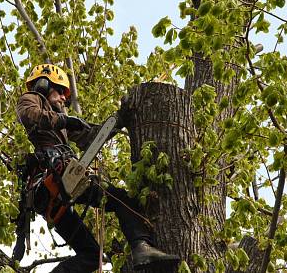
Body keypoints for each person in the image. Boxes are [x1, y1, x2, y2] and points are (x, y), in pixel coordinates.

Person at [15, 63, 179, 272]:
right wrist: (65, 120)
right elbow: (29, 115)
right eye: (60, 93)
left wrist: (119, 120)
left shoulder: (59, 122)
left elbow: (89, 137)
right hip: (55, 178)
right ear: (44, 85)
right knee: (121, 199)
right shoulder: (32, 100)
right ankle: (141, 247)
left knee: (92, 257)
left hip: (54, 199)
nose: (64, 99)